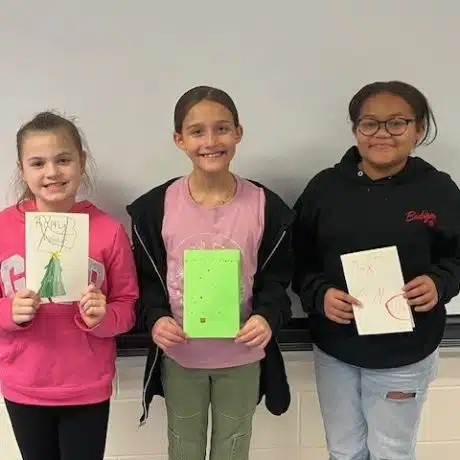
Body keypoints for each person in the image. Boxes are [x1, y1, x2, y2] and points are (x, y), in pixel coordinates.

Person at [292, 80, 460, 460]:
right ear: (355, 130)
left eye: (397, 123)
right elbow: (296, 258)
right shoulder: (325, 188)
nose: (382, 133)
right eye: (370, 123)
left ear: (418, 129)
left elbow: (456, 258)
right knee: (343, 450)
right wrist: (319, 294)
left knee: (391, 451)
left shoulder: (439, 190)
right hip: (336, 348)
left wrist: (439, 283)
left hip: (406, 350)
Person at [127, 85, 294, 460]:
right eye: (197, 131)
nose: (210, 141)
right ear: (179, 139)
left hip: (242, 357)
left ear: (238, 133)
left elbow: (277, 281)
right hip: (181, 356)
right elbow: (146, 282)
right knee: (183, 447)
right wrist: (155, 318)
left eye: (222, 129)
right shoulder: (155, 208)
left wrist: (267, 316)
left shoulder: (266, 206)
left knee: (233, 448)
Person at [0, 112, 138, 460]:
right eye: (38, 163)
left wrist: (103, 317)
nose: (52, 172)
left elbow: (127, 307)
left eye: (63, 160)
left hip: (86, 386)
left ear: (81, 162)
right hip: (24, 384)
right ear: (22, 169)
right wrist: (8, 311)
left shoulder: (108, 231)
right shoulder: (3, 228)